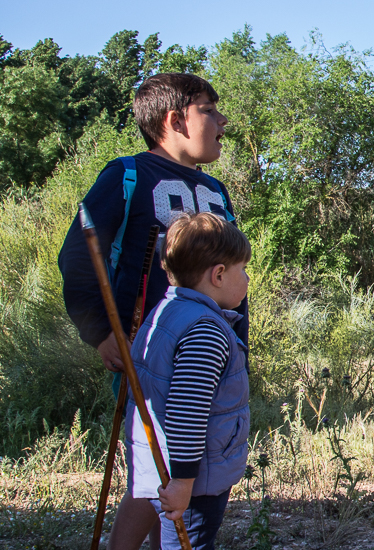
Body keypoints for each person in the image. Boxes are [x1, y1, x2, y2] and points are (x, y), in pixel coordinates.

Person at [56, 72, 246, 549]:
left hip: (212, 349)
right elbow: (80, 255)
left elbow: (230, 271)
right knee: (157, 467)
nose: (222, 120)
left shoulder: (217, 191)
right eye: (209, 109)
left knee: (191, 464)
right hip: (154, 350)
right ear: (175, 119)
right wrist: (102, 333)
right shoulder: (129, 175)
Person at [126, 211, 250, 549]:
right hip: (195, 479)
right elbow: (187, 412)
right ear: (219, 275)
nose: (248, 280)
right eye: (243, 270)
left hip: (163, 465)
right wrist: (183, 482)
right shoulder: (205, 331)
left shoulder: (167, 310)